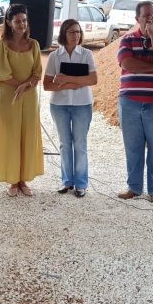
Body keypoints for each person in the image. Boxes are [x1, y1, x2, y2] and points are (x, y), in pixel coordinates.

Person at [116, 0, 153, 204]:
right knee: (133, 147)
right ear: (137, 18)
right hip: (130, 102)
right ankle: (134, 187)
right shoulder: (127, 39)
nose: (151, 18)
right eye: (146, 15)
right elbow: (128, 64)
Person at [0, 3, 44, 196]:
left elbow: (37, 72)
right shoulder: (1, 45)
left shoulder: (34, 44)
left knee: (27, 136)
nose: (22, 24)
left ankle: (23, 180)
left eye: (24, 20)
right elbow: (1, 73)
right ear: (9, 23)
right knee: (10, 136)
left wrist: (25, 85)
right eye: (18, 21)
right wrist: (20, 85)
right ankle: (12, 181)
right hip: (8, 98)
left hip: (28, 97)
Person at [43, 19, 98, 198]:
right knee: (64, 144)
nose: (76, 35)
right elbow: (47, 85)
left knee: (80, 144)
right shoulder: (54, 56)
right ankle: (67, 181)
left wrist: (66, 79)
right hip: (59, 105)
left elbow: (93, 79)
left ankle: (81, 183)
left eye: (78, 32)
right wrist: (74, 84)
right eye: (72, 32)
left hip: (82, 104)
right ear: (64, 34)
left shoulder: (87, 54)